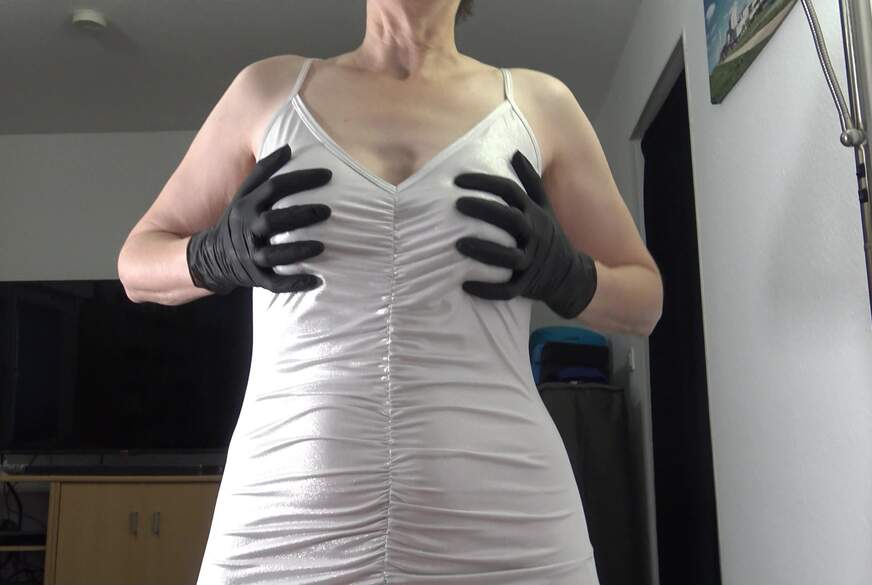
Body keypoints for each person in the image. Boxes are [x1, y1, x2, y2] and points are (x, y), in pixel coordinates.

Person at [118, 1, 662, 583]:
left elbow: (644, 301)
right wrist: (211, 255)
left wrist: (570, 276)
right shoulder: (268, 92)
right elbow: (136, 264)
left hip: (507, 515)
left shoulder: (539, 105)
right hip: (283, 515)